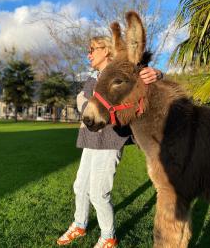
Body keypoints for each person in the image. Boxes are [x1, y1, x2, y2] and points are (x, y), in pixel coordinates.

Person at [57, 36, 163, 248]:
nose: (88, 54)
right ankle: (80, 224)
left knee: (98, 192)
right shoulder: (92, 78)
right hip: (90, 138)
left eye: (92, 49)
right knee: (80, 186)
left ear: (106, 50)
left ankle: (108, 237)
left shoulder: (122, 74)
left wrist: (159, 74)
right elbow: (83, 102)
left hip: (111, 139)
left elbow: (144, 80)